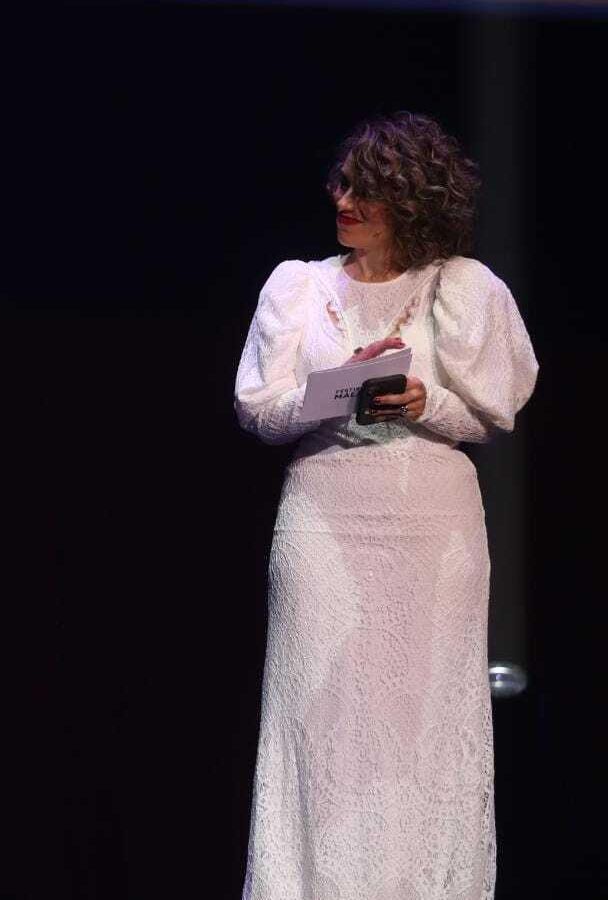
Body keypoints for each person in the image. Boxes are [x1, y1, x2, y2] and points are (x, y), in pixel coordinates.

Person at [233, 111, 538, 899]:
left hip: (430, 526)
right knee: (320, 724)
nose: (344, 198)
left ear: (414, 201)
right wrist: (329, 397)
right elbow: (260, 412)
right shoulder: (296, 286)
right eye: (343, 183)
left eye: (369, 189)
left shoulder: (464, 288)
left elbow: (491, 415)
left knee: (424, 732)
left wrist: (421, 400)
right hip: (323, 520)